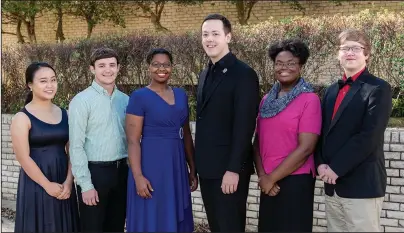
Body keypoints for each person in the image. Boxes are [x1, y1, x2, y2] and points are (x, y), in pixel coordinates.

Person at [315, 29, 392, 232]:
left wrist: (336, 168)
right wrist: (321, 163)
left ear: (366, 54)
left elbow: (369, 136)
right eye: (345, 48)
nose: (350, 53)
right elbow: (323, 132)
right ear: (338, 54)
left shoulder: (378, 88)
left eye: (356, 48)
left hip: (362, 184)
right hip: (331, 185)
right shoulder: (331, 91)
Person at [194, 13, 260, 232]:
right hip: (208, 168)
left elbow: (245, 126)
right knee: (216, 226)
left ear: (228, 37)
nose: (209, 39)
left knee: (230, 226)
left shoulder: (244, 74)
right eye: (205, 34)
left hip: (229, 171)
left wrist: (233, 169)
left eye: (215, 34)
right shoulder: (204, 73)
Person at [125, 48, 197, 232]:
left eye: (166, 64)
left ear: (172, 67)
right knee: (153, 212)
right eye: (156, 64)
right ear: (149, 67)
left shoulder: (181, 94)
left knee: (175, 209)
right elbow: (133, 141)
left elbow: (186, 133)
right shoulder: (139, 97)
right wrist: (138, 177)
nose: (161, 68)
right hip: (151, 166)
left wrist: (192, 169)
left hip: (176, 165)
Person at [253, 39, 321, 232]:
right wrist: (263, 177)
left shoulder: (309, 99)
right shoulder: (266, 100)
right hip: (268, 181)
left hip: (295, 181)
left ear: (300, 66)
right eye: (279, 63)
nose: (284, 68)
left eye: (291, 63)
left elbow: (306, 148)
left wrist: (272, 177)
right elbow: (257, 142)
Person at [11, 62, 80, 232]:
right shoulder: (21, 117)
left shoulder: (65, 113)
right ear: (30, 85)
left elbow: (73, 150)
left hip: (64, 179)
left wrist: (69, 182)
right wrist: (47, 184)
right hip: (36, 182)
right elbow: (23, 157)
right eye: (43, 81)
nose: (50, 85)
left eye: (53, 80)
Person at [68, 47, 129, 232]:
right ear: (92, 69)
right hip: (95, 173)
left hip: (122, 172)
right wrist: (85, 185)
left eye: (112, 65)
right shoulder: (82, 101)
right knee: (92, 227)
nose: (108, 70)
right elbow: (76, 146)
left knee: (116, 226)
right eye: (101, 65)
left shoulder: (126, 100)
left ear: (119, 68)